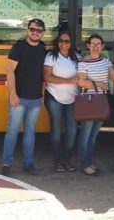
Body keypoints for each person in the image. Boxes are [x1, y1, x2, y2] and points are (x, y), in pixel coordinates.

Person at [76, 34, 114, 175]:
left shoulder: (105, 61)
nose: (95, 47)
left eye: (98, 44)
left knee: (93, 135)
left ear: (102, 46)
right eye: (92, 44)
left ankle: (88, 162)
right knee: (85, 135)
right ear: (88, 46)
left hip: (101, 101)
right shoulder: (83, 62)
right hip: (89, 100)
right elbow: (81, 82)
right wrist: (100, 84)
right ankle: (85, 164)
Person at [0, 18, 47, 176]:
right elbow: (9, 71)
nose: (35, 33)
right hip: (18, 98)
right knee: (12, 131)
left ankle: (28, 163)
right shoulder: (19, 47)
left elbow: (41, 74)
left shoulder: (42, 48)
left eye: (39, 31)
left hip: (35, 99)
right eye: (33, 29)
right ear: (27, 30)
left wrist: (42, 93)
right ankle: (6, 163)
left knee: (30, 132)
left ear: (42, 33)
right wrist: (12, 94)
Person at [43, 31, 80, 173]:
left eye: (67, 41)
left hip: (72, 99)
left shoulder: (77, 57)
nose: (64, 44)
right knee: (56, 131)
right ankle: (58, 160)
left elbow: (84, 73)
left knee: (72, 131)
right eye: (61, 41)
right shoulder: (51, 56)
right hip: (54, 98)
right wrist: (68, 81)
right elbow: (47, 77)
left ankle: (67, 159)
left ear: (71, 44)